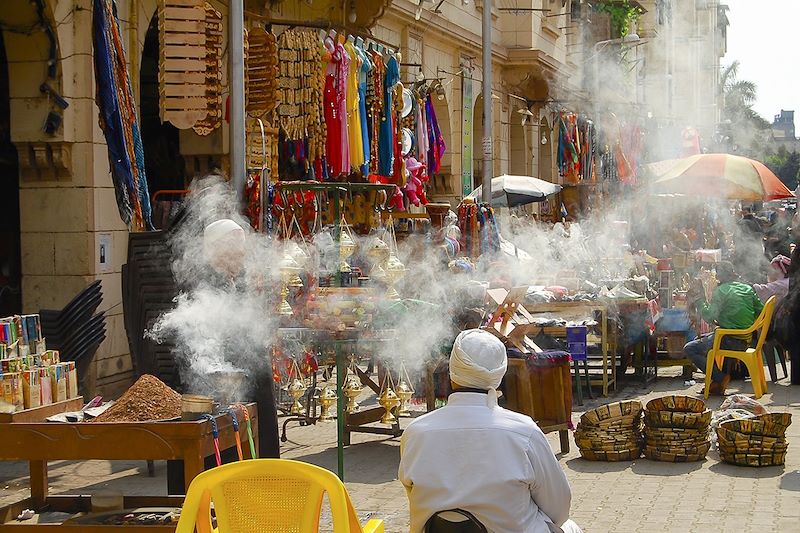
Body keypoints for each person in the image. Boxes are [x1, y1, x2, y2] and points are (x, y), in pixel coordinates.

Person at [398, 329, 582, 533]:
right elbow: (559, 509)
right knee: (570, 527)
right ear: (500, 374)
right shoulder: (524, 432)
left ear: (452, 372)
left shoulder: (415, 432)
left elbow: (414, 496)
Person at [202, 219, 281, 458]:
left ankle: (265, 465)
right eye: (232, 250)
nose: (240, 255)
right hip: (220, 366)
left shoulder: (239, 279)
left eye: (240, 249)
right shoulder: (205, 281)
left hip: (247, 360)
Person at [683, 261, 764, 395]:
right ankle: (717, 382)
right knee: (707, 340)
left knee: (690, 348)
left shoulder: (720, 291)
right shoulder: (747, 288)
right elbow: (761, 311)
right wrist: (746, 326)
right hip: (747, 339)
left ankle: (720, 377)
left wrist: (699, 300)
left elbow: (709, 316)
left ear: (719, 276)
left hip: (729, 340)